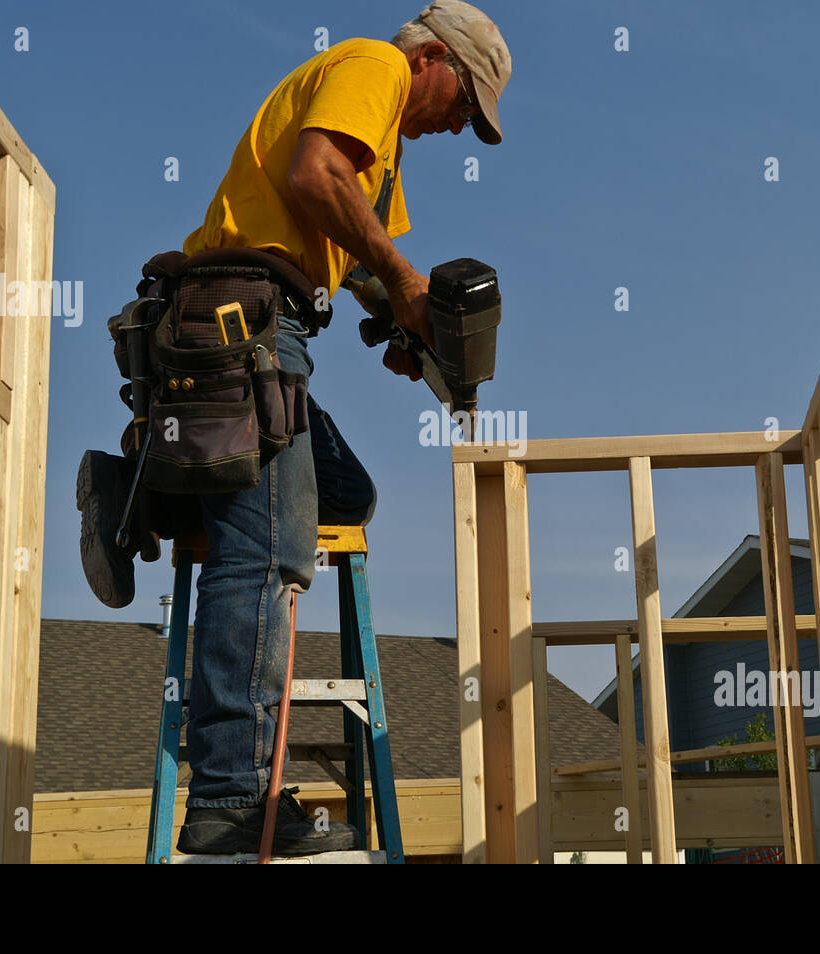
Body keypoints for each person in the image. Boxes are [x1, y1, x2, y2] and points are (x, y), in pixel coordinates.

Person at [133, 1, 509, 856]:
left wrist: (403, 323)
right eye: (464, 102)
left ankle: (166, 484)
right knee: (268, 553)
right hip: (241, 319)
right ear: (432, 60)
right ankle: (231, 800)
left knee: (345, 493)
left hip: (275, 327)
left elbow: (356, 249)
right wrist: (405, 279)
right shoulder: (373, 65)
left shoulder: (388, 153)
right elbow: (315, 178)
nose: (460, 125)